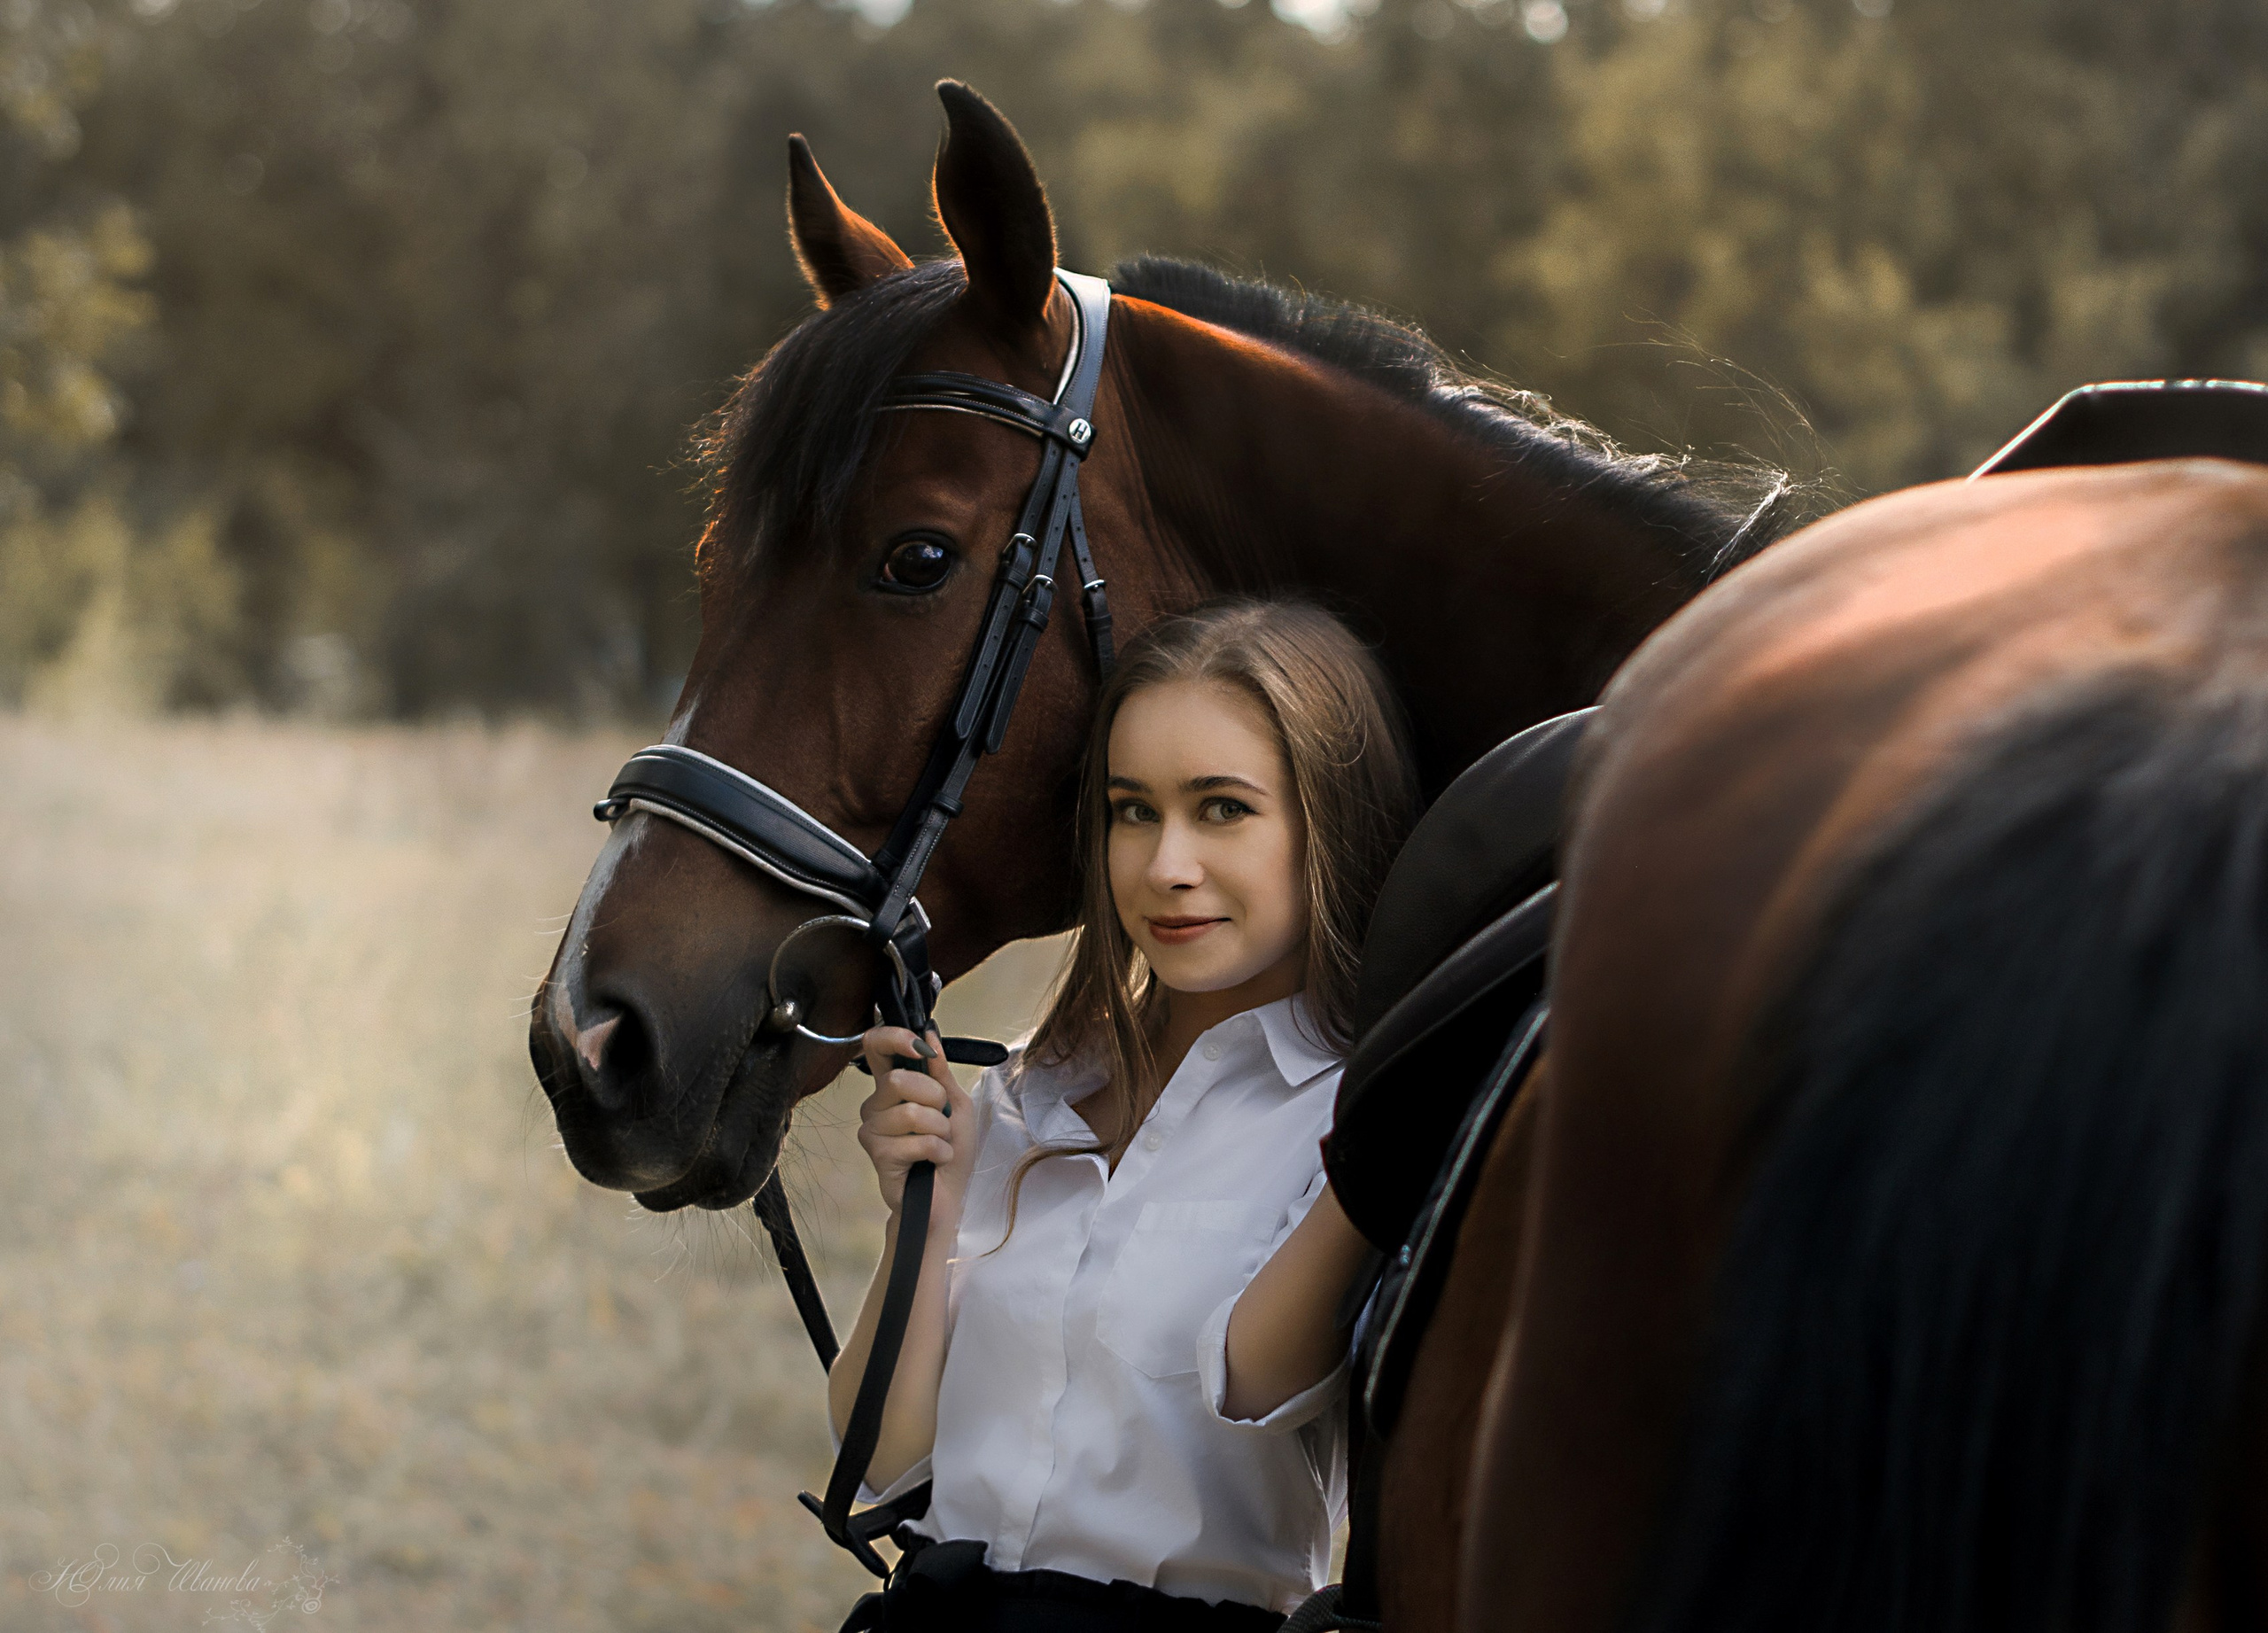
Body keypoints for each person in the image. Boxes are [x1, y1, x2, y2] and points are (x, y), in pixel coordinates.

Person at [829, 598, 1419, 1631]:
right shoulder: (1034, 1086)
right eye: (1132, 808)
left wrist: (1385, 1133)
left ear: (1326, 821)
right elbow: (881, 1450)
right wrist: (924, 1206)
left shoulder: (1352, 1112)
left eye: (1222, 808)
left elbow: (1252, 1376)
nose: (1164, 866)